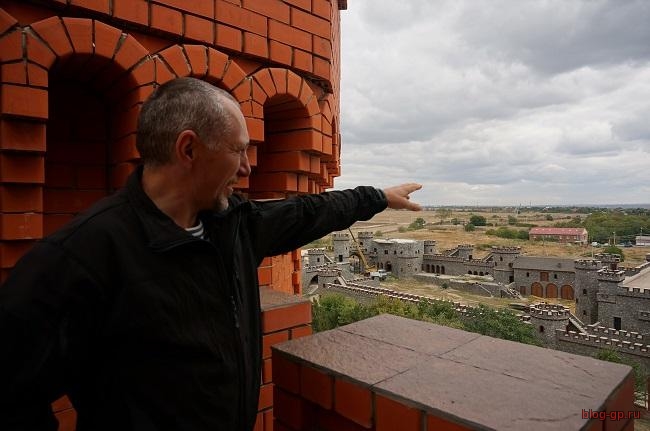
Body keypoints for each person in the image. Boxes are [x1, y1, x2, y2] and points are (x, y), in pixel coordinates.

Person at [0, 77, 422, 431]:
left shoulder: (233, 224)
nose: (247, 167)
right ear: (189, 150)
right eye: (238, 150)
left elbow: (308, 211)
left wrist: (378, 197)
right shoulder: (82, 256)